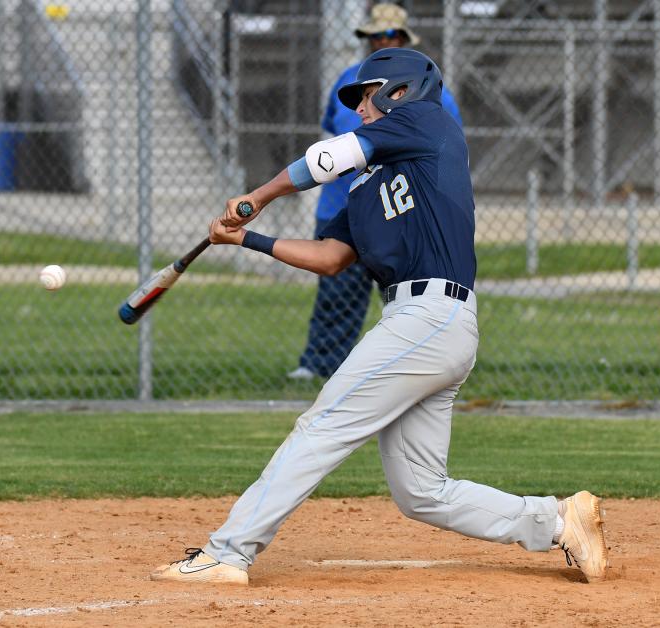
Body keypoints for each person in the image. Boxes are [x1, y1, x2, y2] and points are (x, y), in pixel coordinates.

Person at [150, 48, 609, 585]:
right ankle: (558, 520)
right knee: (421, 491)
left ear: (399, 92)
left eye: (366, 98)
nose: (359, 111)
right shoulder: (368, 188)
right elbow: (330, 258)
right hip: (423, 324)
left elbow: (327, 158)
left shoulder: (428, 122)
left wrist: (259, 195)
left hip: (432, 316)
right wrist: (247, 238)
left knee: (323, 425)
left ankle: (228, 552)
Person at [287, 2, 463, 381]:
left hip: (401, 208)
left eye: (390, 36)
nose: (381, 41)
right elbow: (329, 134)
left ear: (402, 39)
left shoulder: (430, 92)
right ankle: (319, 364)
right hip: (344, 203)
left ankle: (405, 367)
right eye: (375, 36)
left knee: (406, 294)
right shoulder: (348, 80)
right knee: (336, 293)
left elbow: (445, 151)